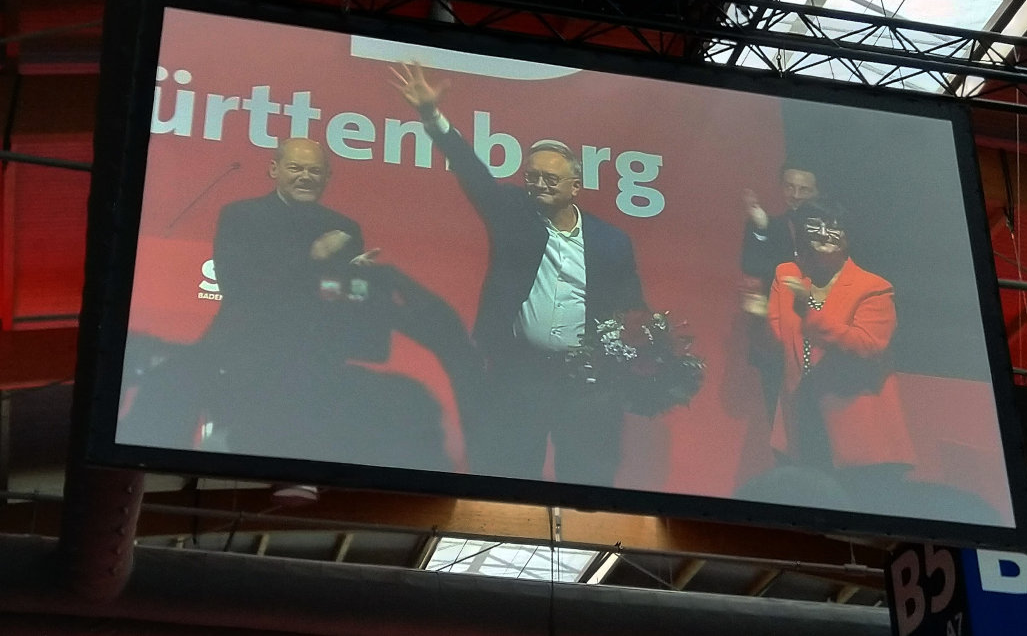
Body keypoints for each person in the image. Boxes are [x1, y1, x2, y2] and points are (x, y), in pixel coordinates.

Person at [122, 138, 453, 471]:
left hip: (317, 357)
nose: (305, 177)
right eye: (295, 168)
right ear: (274, 170)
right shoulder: (242, 215)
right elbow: (238, 285)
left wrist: (356, 282)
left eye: (314, 170)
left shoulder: (344, 227)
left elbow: (340, 300)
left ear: (326, 177)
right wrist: (313, 258)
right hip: (245, 352)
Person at [391, 63, 645, 485]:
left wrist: (636, 360)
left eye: (550, 178)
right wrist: (432, 118)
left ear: (575, 185)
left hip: (585, 383)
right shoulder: (512, 214)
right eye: (532, 176)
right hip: (519, 374)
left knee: (586, 478)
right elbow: (472, 172)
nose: (538, 184)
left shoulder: (612, 242)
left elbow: (633, 309)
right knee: (508, 473)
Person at [766, 200, 916, 509]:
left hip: (859, 436)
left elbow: (868, 345)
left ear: (847, 236)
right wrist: (755, 318)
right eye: (814, 226)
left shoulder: (873, 287)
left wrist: (812, 309)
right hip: (802, 427)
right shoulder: (787, 276)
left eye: (832, 227)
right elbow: (777, 340)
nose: (822, 234)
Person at [740, 163, 819, 418]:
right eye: (790, 187)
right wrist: (761, 228)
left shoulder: (831, 230)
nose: (795, 195)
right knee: (777, 409)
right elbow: (751, 263)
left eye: (804, 189)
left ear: (817, 191)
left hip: (819, 330)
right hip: (778, 331)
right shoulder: (768, 225)